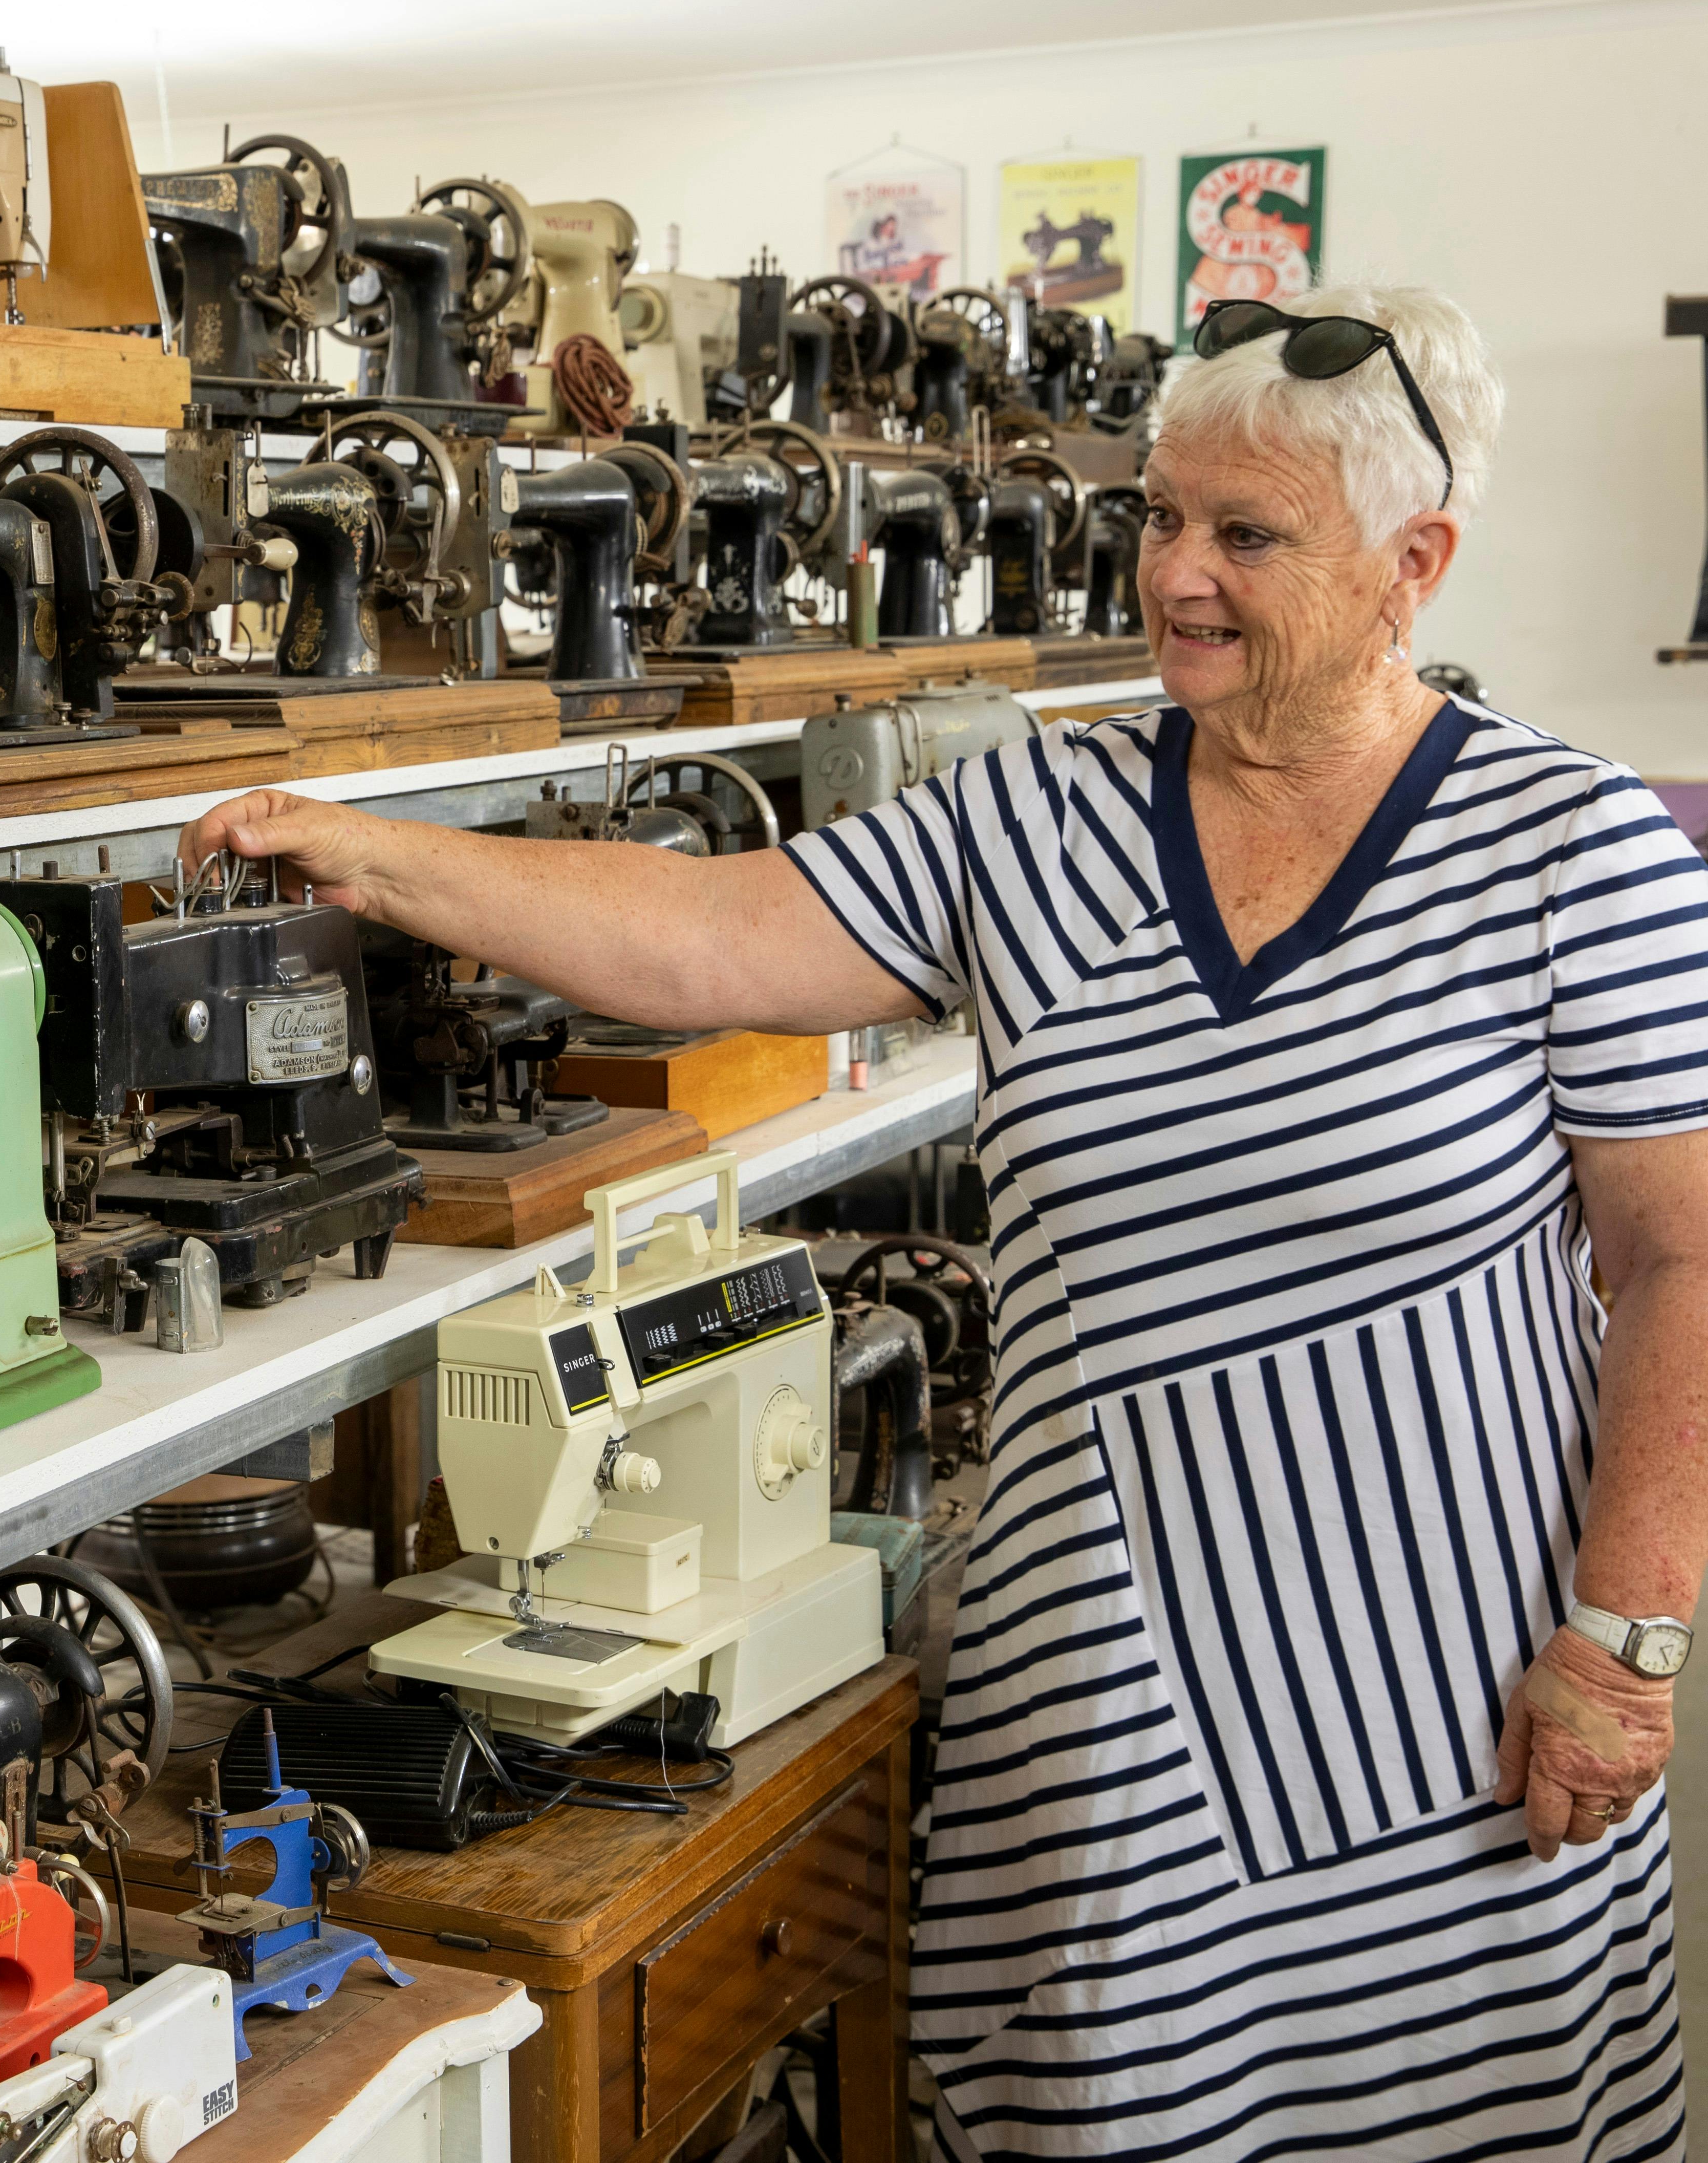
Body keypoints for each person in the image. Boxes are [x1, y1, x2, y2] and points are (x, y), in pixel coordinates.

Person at [182, 284, 1699, 2158]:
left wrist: (1629, 1644)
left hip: (1453, 1715)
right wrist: (377, 848)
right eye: (1159, 516)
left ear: (1417, 564)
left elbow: (1681, 1260)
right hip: (1107, 1722)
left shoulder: (1576, 849)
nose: (1179, 577)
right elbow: (713, 933)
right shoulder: (1036, 818)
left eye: (1247, 535)